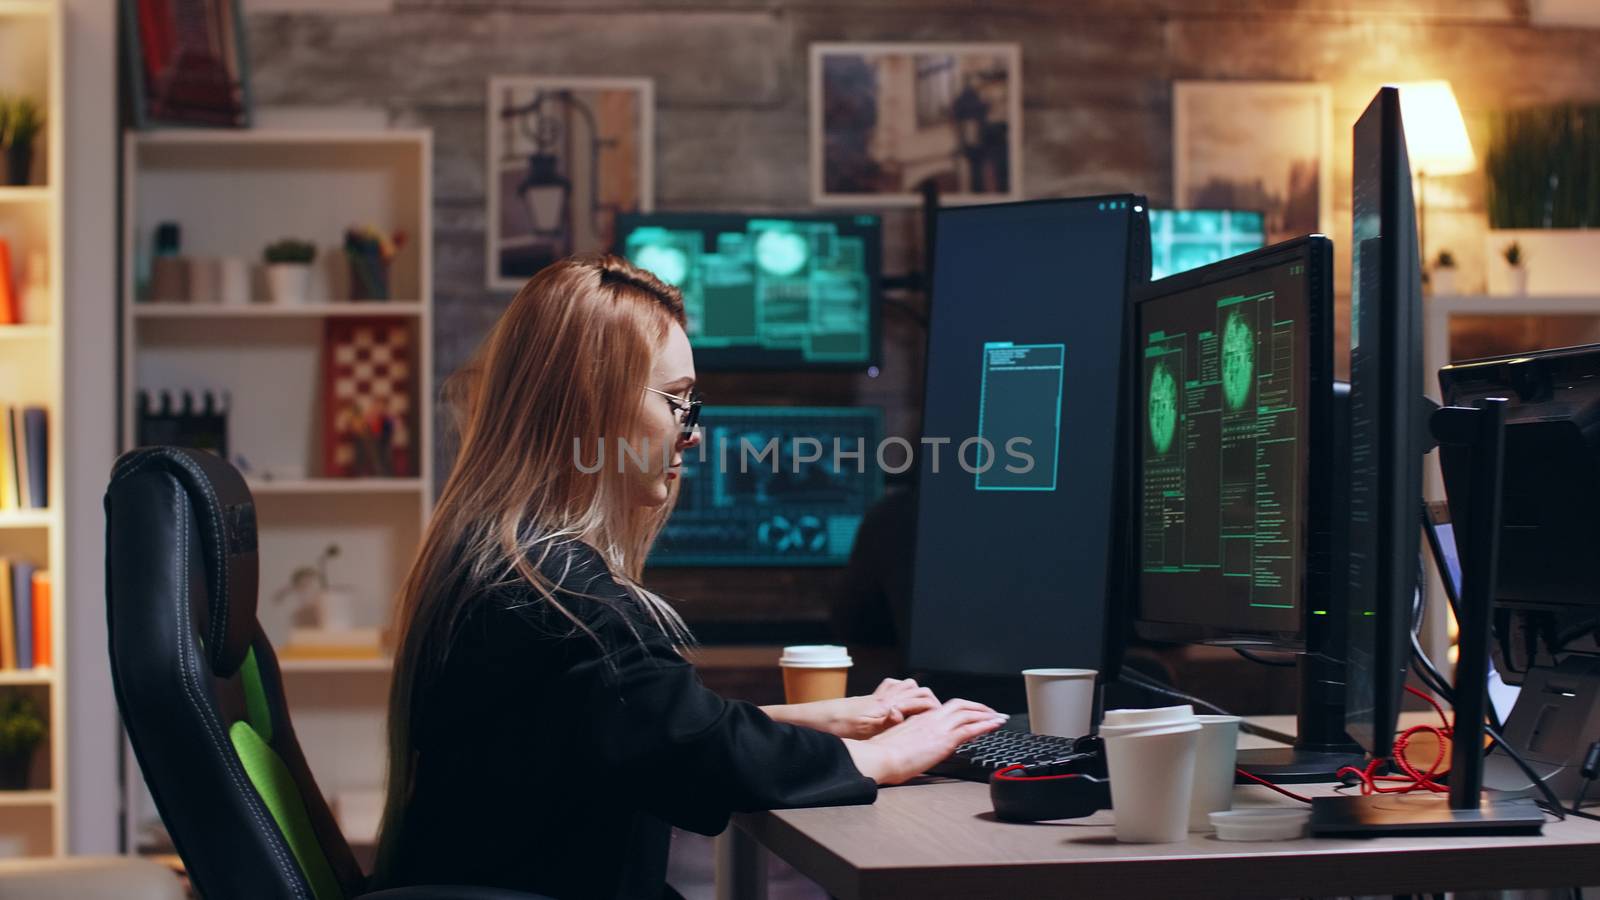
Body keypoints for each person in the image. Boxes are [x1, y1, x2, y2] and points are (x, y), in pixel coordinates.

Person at [373, 256, 1005, 899]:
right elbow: (699, 758)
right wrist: (885, 755)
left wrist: (828, 720)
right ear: (591, 404)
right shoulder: (559, 595)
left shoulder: (508, 564)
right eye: (676, 400)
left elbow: (640, 729)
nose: (692, 433)